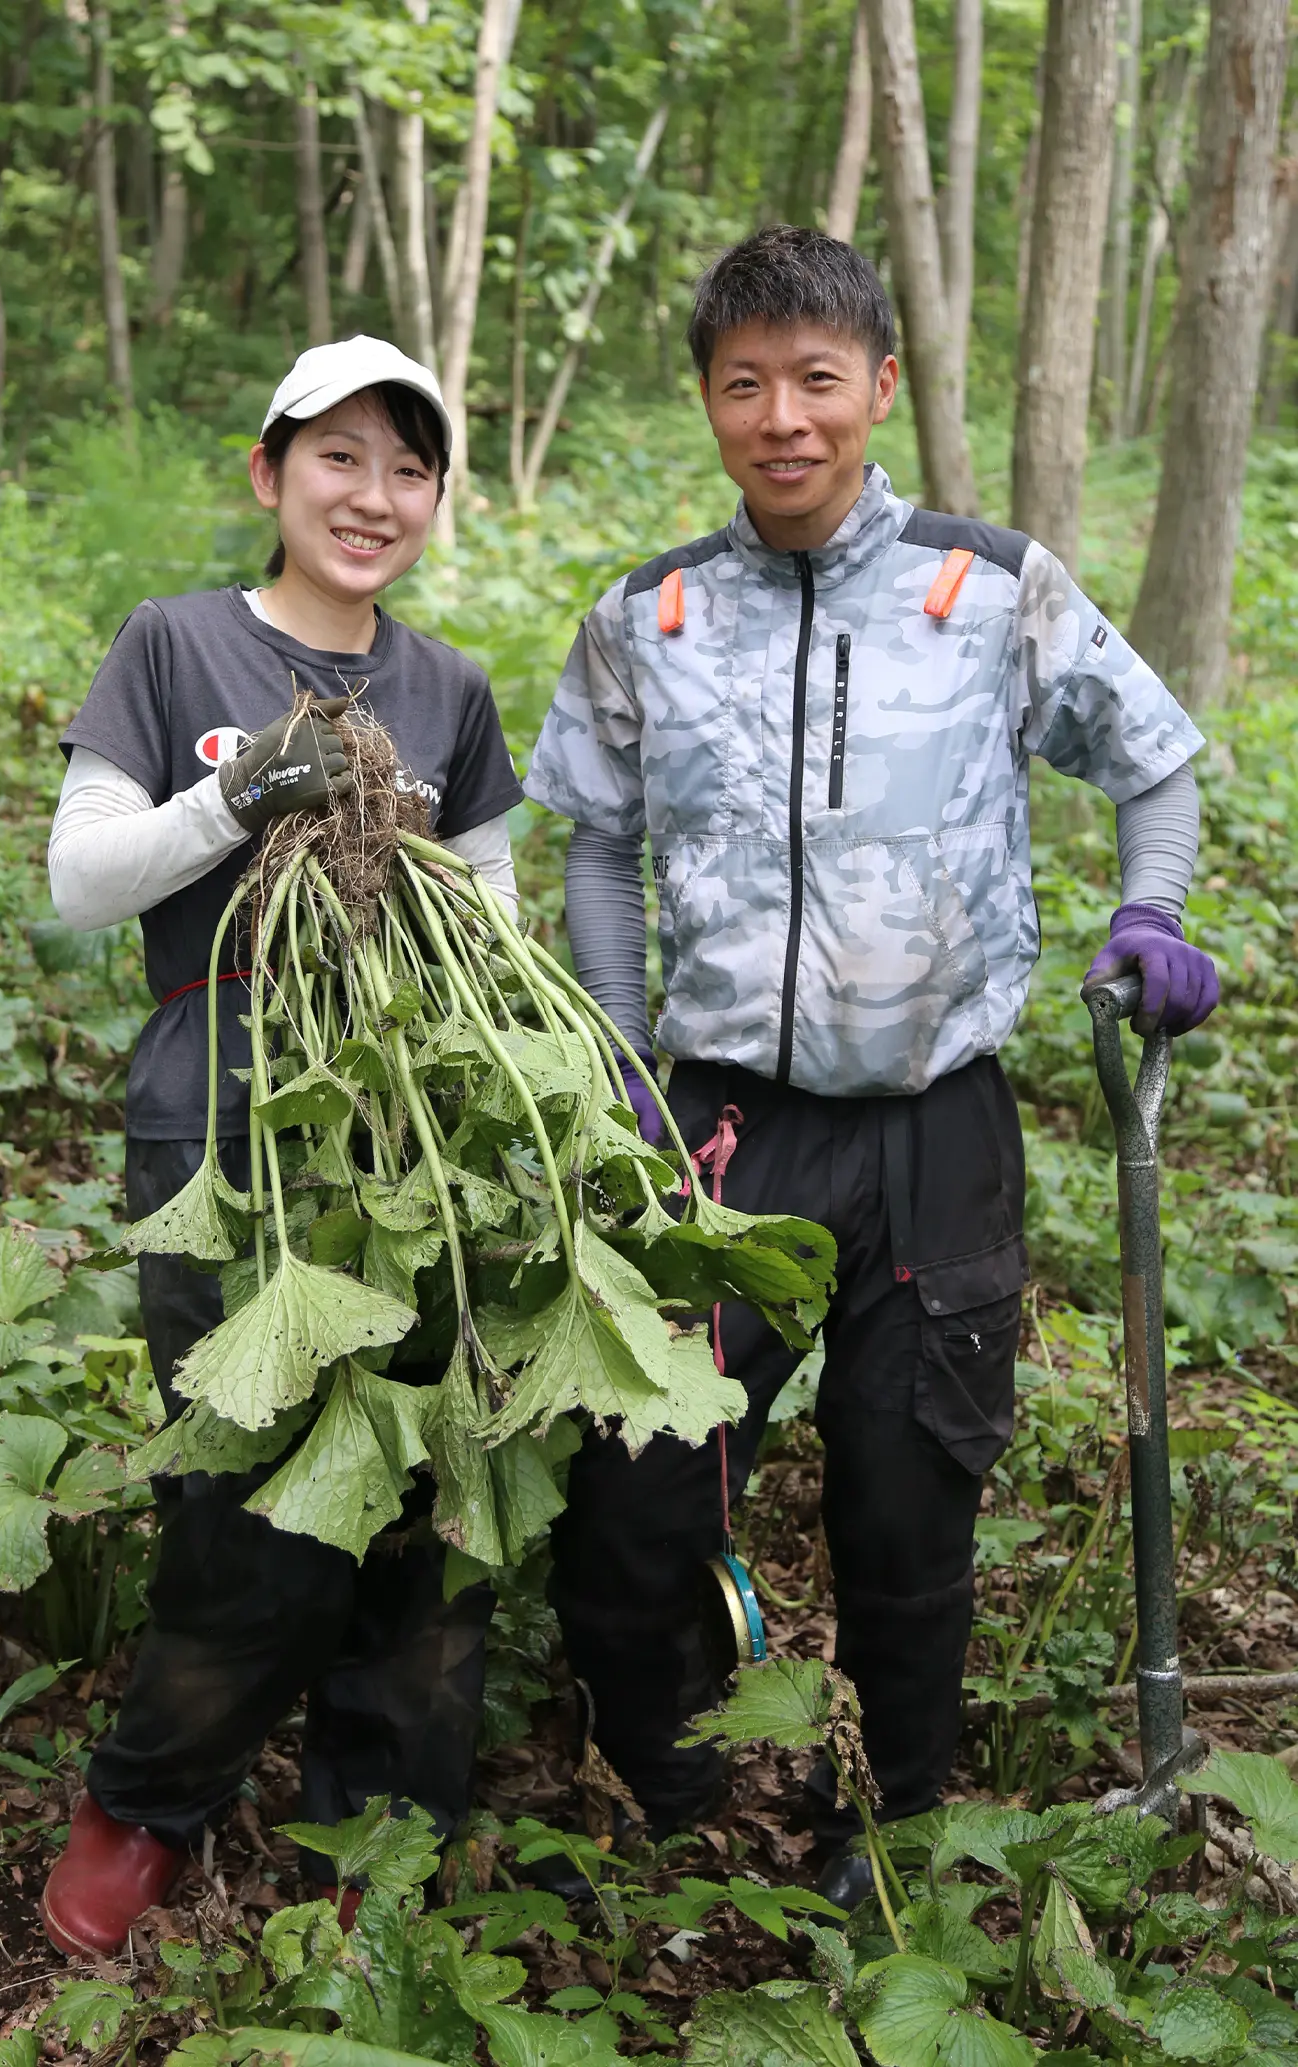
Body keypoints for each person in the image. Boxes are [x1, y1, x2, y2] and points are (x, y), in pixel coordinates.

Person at [523, 227, 1218, 1906]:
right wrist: (620, 1045)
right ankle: (659, 1776)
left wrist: (1152, 912)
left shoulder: (984, 592)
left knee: (908, 1505)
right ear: (707, 400)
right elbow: (600, 842)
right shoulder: (648, 616)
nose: (782, 417)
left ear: (879, 387)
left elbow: (1152, 764)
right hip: (718, 1124)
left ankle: (888, 1818)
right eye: (743, 383)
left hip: (935, 1128)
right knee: (635, 1481)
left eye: (815, 379)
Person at [42, 337, 524, 1956]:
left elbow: (497, 918)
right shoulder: (174, 644)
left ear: (435, 499)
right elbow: (81, 882)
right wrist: (241, 793)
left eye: (408, 469)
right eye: (338, 457)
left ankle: (381, 1822)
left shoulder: (450, 688)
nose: (372, 496)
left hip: (407, 1130)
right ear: (269, 473)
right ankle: (148, 1799)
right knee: (239, 1487)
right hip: (220, 1112)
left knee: (430, 1489)